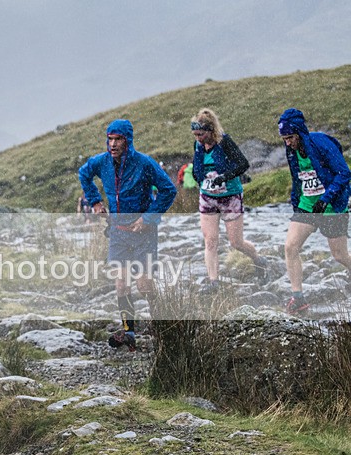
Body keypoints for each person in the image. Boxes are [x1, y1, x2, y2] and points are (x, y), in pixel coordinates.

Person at [78, 119, 177, 351]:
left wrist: (148, 218)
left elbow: (169, 190)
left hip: (143, 233)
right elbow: (84, 174)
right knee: (121, 285)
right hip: (118, 233)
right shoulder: (101, 162)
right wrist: (95, 202)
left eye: (118, 140)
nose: (112, 144)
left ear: (128, 141)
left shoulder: (144, 163)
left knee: (144, 285)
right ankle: (129, 331)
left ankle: (162, 328)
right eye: (110, 139)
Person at [278, 107, 351, 315]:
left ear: (299, 132)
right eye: (284, 139)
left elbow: (344, 173)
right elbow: (297, 178)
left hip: (332, 204)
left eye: (290, 137)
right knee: (291, 246)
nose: (288, 142)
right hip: (307, 205)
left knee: (339, 255)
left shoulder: (321, 143)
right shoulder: (291, 149)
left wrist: (326, 199)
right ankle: (298, 298)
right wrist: (296, 204)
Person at [191, 108, 268, 293]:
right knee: (210, 241)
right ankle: (214, 283)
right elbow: (197, 167)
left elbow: (243, 164)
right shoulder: (198, 146)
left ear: (210, 130)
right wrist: (200, 177)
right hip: (208, 197)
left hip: (230, 197)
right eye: (195, 135)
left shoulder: (225, 142)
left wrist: (224, 177)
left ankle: (259, 260)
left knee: (236, 243)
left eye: (200, 134)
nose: (198, 138)